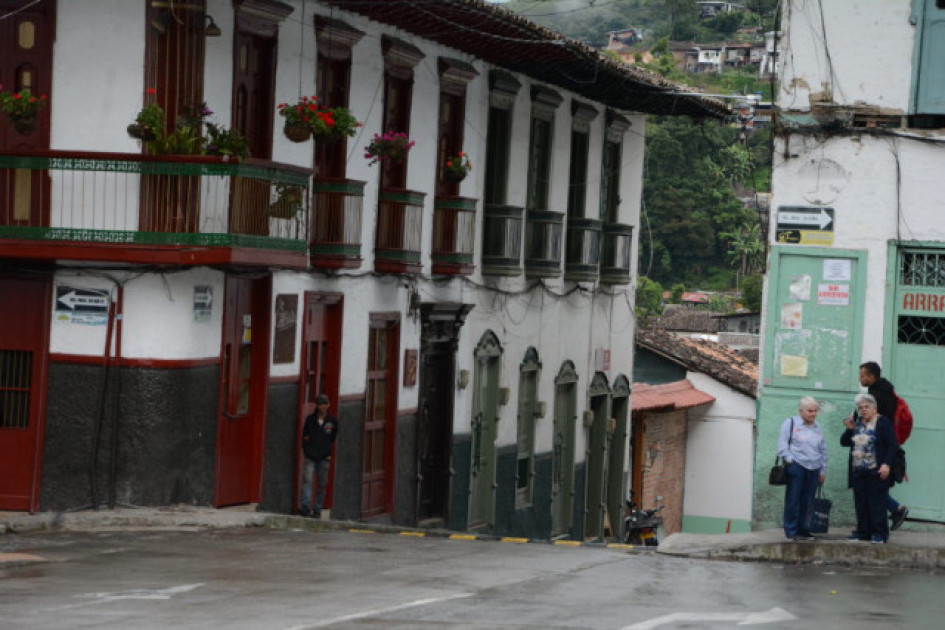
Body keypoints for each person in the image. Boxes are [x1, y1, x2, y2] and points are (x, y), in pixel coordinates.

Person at [841, 393, 898, 543]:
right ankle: (863, 533)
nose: (863, 410)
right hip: (858, 470)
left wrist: (886, 464)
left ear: (874, 408)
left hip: (876, 469)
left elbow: (892, 445)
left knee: (877, 503)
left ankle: (879, 534)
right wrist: (848, 429)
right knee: (861, 503)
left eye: (867, 407)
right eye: (860, 408)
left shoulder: (882, 422)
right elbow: (844, 442)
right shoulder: (857, 423)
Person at [858, 361, 909, 530]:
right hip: (880, 444)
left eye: (863, 375)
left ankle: (895, 510)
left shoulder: (878, 394)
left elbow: (879, 419)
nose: (860, 378)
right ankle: (893, 511)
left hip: (878, 446)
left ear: (871, 377)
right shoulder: (882, 389)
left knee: (873, 485)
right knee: (873, 485)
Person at [777, 396, 827, 541]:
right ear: (801, 411)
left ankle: (804, 530)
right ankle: (791, 531)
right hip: (797, 466)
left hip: (814, 467)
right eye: (810, 411)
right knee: (793, 500)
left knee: (808, 501)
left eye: (815, 411)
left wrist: (823, 469)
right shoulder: (790, 423)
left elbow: (823, 450)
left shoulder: (817, 427)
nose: (813, 414)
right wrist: (789, 461)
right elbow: (782, 444)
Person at [300, 394, 338, 519]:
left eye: (325, 404)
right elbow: (305, 436)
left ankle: (317, 509)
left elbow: (333, 437)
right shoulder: (310, 420)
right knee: (308, 480)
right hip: (311, 455)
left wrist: (326, 450)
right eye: (321, 404)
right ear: (316, 405)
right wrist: (307, 450)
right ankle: (305, 507)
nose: (323, 406)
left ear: (328, 405)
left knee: (322, 484)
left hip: (324, 456)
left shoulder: (332, 421)